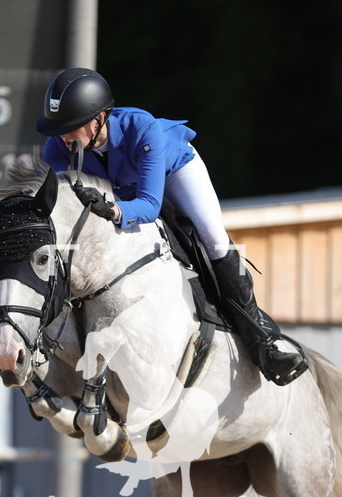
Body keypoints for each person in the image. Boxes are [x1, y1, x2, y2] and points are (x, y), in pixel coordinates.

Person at [37, 67, 308, 385]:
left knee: (212, 237)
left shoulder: (141, 127)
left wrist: (111, 210)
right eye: (59, 128)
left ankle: (262, 342)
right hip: (119, 189)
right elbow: (60, 202)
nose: (64, 135)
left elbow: (150, 205)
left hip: (174, 171)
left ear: (99, 118)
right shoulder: (58, 145)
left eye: (71, 127)